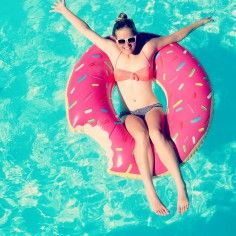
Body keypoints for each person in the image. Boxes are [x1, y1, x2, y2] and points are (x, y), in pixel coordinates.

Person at [50, 0, 213, 216]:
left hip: (152, 107)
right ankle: (150, 191)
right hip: (129, 114)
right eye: (122, 41)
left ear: (136, 36)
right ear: (115, 40)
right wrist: (64, 10)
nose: (127, 45)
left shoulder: (147, 49)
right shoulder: (112, 52)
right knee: (142, 136)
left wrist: (198, 23)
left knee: (155, 132)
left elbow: (174, 37)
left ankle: (180, 187)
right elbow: (86, 30)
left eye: (131, 39)